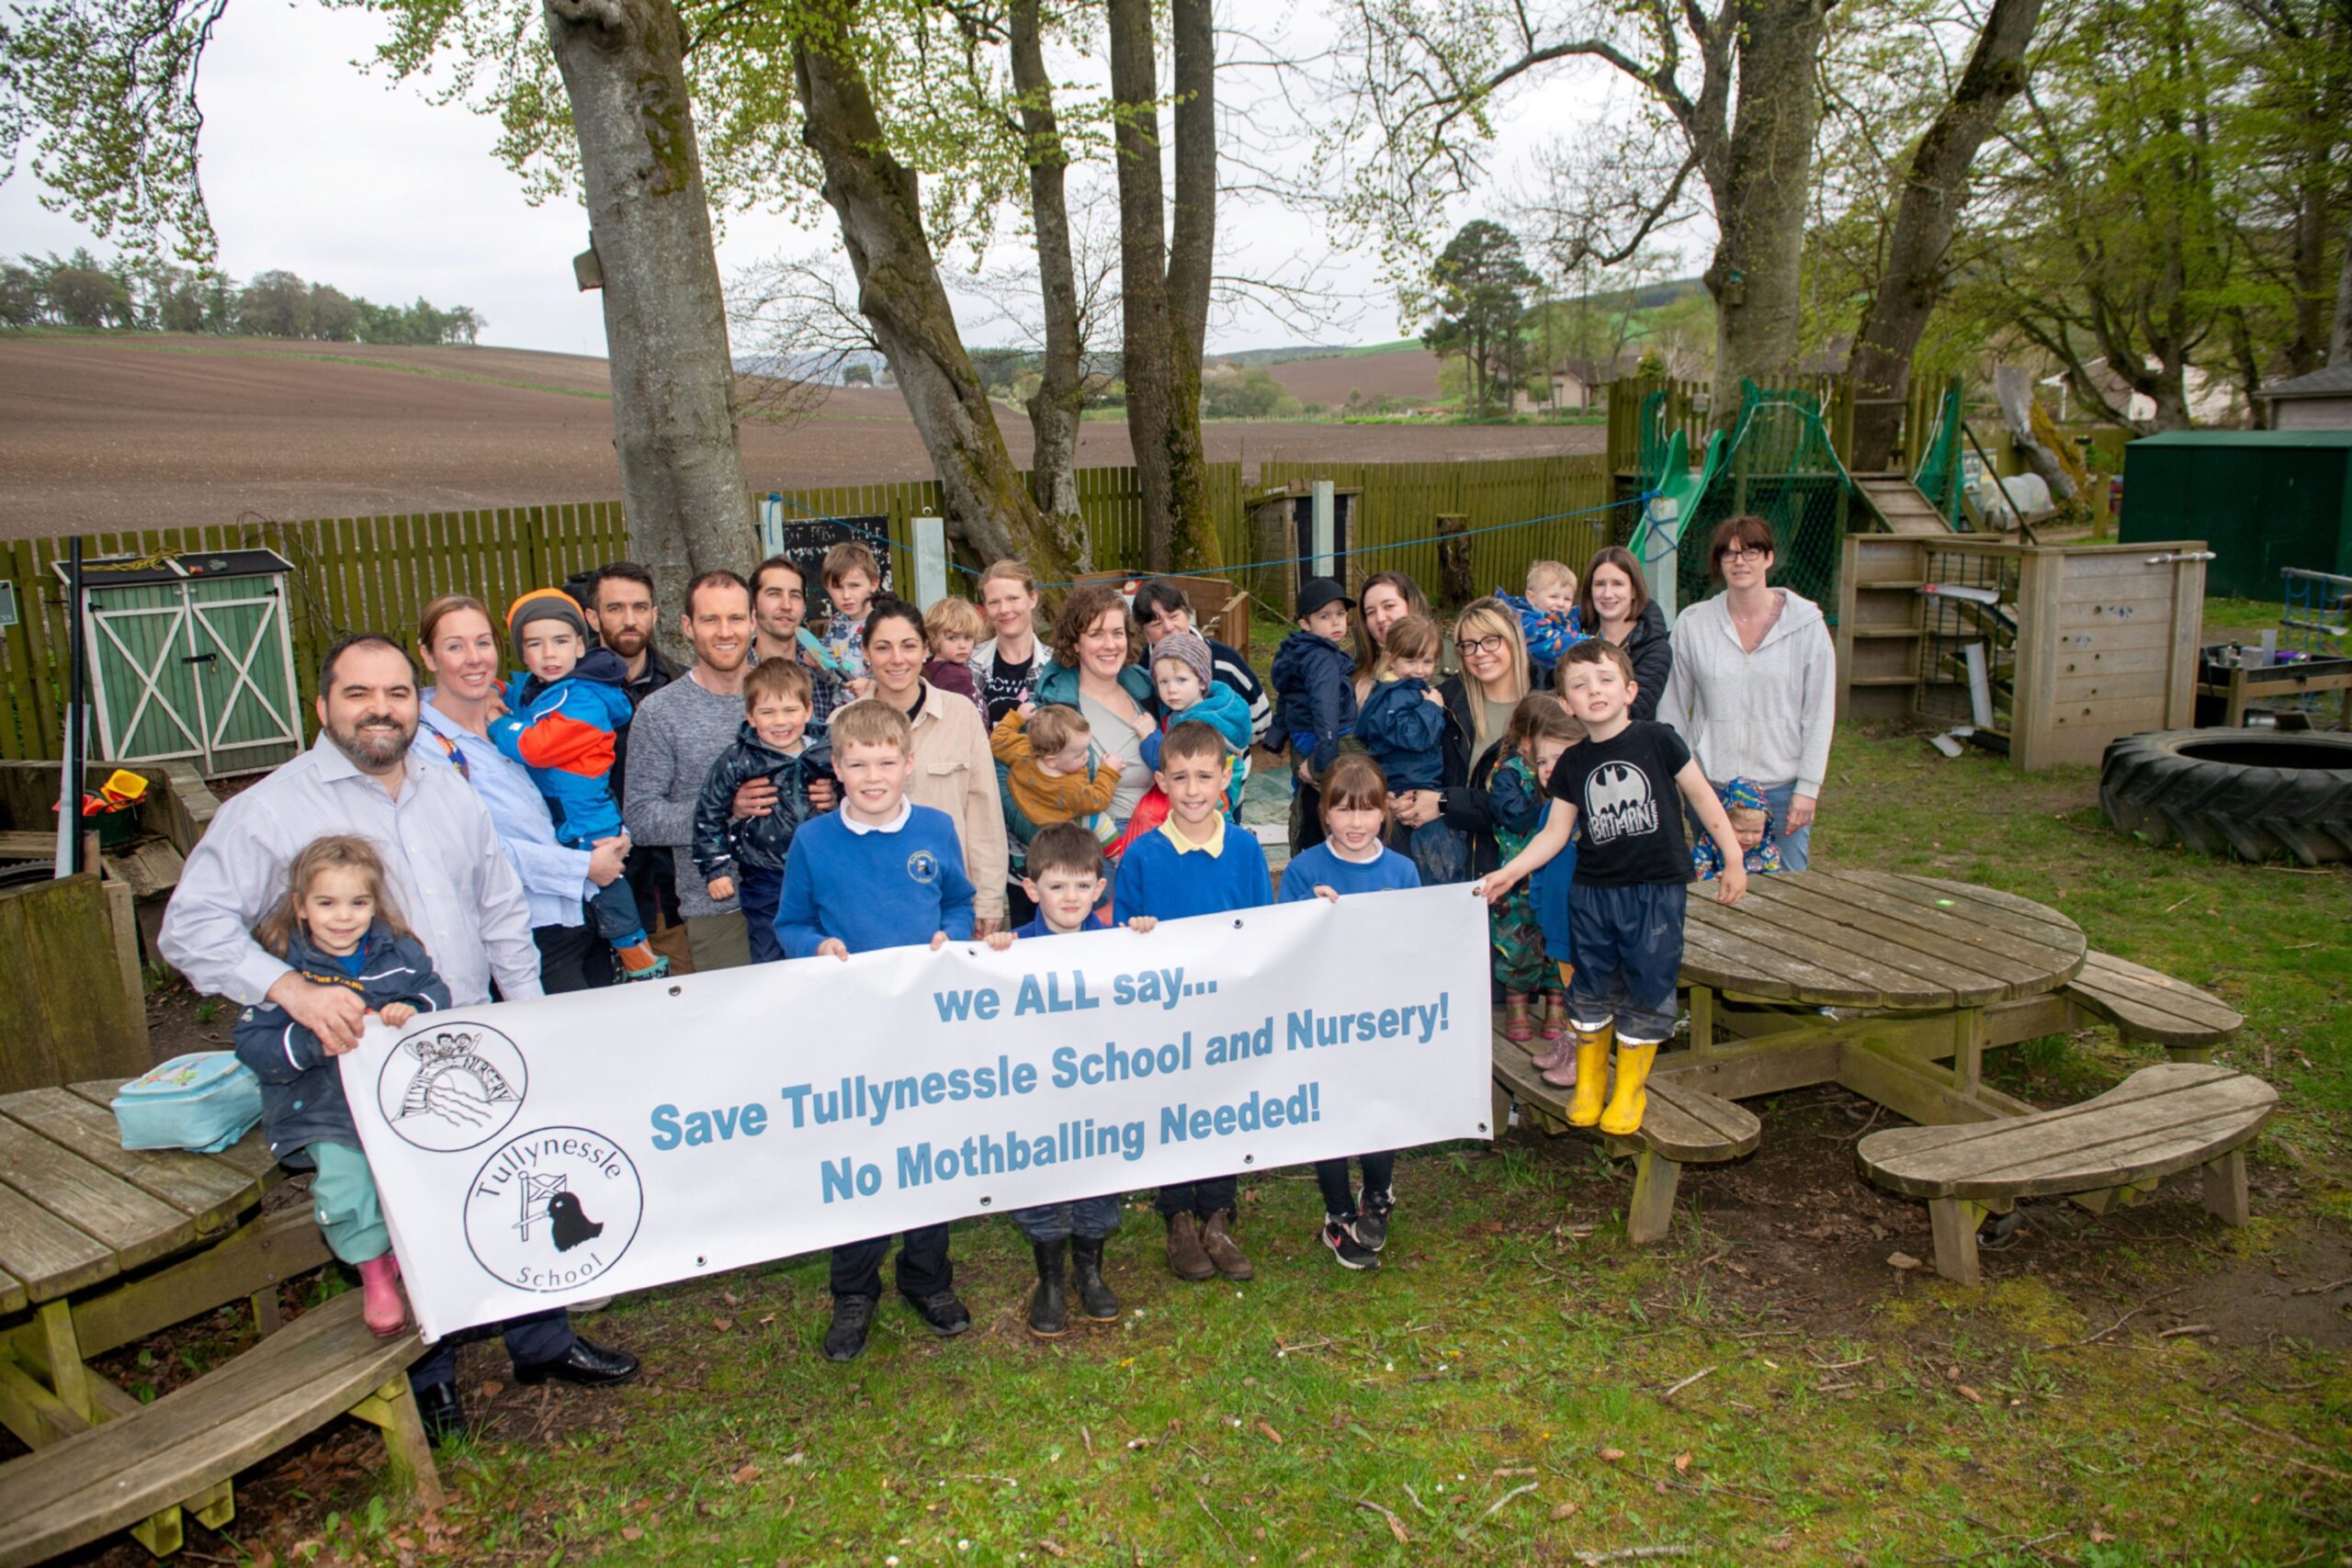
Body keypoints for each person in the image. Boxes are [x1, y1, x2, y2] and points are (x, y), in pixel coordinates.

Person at [160, 635, 639, 1444]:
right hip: (362, 1061)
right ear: (322, 706)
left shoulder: (448, 791)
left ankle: (541, 1341)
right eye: (359, 693)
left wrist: (526, 1011)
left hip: (467, 1034)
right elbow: (191, 927)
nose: (380, 708)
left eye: (396, 693)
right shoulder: (272, 810)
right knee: (403, 1213)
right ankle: (431, 1378)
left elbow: (497, 909)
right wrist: (292, 990)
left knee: (505, 1184)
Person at [773, 699, 977, 1360]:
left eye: (886, 761)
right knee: (860, 1153)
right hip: (850, 1028)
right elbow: (791, 923)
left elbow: (959, 899)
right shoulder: (813, 841)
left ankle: (927, 1275)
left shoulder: (938, 828)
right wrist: (817, 947)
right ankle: (854, 1289)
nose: (873, 774)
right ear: (836, 768)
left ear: (909, 764)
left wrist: (958, 936)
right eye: (857, 763)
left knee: (925, 1148)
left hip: (925, 1024)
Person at [1477, 640, 1749, 1137]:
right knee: (1589, 987)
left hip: (1655, 892)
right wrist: (1511, 871)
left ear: (1629, 690)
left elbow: (1701, 796)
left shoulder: (1658, 739)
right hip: (1593, 895)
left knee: (1648, 986)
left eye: (1604, 680)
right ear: (1566, 704)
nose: (1593, 691)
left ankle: (1629, 1088)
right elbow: (1555, 832)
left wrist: (1732, 855)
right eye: (1579, 685)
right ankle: (1589, 1082)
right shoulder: (1573, 763)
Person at [232, 835, 450, 1337]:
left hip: (396, 1098)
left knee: (414, 1181)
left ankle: (413, 1258)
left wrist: (413, 1010)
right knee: (346, 1185)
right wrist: (313, 1043)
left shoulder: (399, 950)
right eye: (326, 903)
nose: (343, 917)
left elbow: (436, 993)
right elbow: (252, 1044)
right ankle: (373, 1272)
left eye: (358, 903)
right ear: (300, 906)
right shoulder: (280, 965)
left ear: (376, 904)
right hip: (324, 1106)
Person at [1113, 719, 1273, 1282]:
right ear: (1161, 781)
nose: (1193, 789)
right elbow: (1121, 937)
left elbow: (1261, 927)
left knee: (1222, 1106)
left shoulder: (1247, 849)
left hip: (1226, 1011)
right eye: (1180, 777)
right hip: (1166, 1015)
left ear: (1225, 777)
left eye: (1205, 776)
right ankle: (1178, 1216)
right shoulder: (1142, 856)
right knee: (1174, 1107)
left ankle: (1217, 1217)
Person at [989, 822, 1155, 1336]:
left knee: (1097, 1186)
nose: (1070, 897)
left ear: (1100, 889)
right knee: (1043, 1186)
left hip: (1099, 1099)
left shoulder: (1118, 946)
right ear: (1032, 889)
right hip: (1038, 1101)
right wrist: (990, 953)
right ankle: (1051, 1280)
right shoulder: (1012, 952)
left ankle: (1090, 1271)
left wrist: (1146, 939)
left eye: (1083, 886)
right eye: (1056, 887)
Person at [413, 594, 626, 994]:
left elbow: (575, 783)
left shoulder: (524, 715)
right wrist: (580, 866)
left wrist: (612, 834)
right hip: (523, 933)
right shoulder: (424, 748)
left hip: (582, 914)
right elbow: (474, 850)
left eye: (482, 643)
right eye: (455, 646)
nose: (474, 658)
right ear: (428, 656)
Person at [1276, 753, 1418, 1271]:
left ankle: (1377, 1195)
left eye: (1366, 811)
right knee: (1332, 1114)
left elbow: (1416, 944)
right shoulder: (1304, 869)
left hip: (1381, 1020)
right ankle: (1337, 1212)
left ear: (1384, 813)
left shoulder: (1402, 871)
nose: (1355, 823)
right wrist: (1307, 917)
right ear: (1325, 814)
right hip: (1324, 1021)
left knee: (1378, 1106)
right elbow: (1280, 948)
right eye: (1342, 810)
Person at [489, 590, 666, 981]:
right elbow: (520, 696)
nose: (549, 654)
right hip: (562, 815)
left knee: (610, 894)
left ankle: (641, 963)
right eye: (535, 644)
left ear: (581, 647)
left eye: (560, 641)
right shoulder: (546, 689)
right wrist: (497, 691)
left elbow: (535, 745)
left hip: (586, 816)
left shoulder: (584, 698)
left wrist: (496, 722)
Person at [1657, 515, 1837, 870]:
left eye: (1750, 552)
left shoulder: (1807, 626)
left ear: (1769, 558)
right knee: (1717, 892)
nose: (1740, 562)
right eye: (1729, 554)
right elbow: (1673, 706)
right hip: (1712, 787)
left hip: (1781, 788)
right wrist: (1680, 774)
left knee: (1787, 897)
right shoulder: (1694, 623)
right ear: (1719, 563)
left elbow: (1819, 712)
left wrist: (1808, 787)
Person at [624, 571, 765, 972]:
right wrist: (724, 809)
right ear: (688, 627)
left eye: (736, 618)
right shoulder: (660, 712)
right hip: (718, 909)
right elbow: (642, 819)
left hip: (797, 900)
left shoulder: (784, 693)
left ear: (753, 621)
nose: (725, 632)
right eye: (710, 620)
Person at [863, 595, 1011, 933]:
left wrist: (989, 900)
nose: (897, 659)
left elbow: (984, 809)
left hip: (953, 904)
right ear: (866, 653)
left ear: (926, 649)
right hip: (875, 904)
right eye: (883, 647)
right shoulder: (844, 722)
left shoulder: (961, 714)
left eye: (908, 646)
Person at [692, 658, 835, 964]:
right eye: (767, 712)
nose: (780, 722)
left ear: (808, 710)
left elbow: (859, 792)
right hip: (766, 876)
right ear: (751, 716)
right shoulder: (740, 759)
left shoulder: (828, 752)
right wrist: (715, 869)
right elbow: (709, 812)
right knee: (770, 951)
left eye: (790, 710)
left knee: (828, 949)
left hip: (825, 871)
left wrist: (838, 795)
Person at [582, 562, 687, 972]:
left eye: (640, 608)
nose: (630, 620)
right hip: (591, 890)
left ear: (655, 614)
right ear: (593, 617)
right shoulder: (566, 694)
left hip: (665, 892)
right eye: (615, 608)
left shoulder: (679, 684)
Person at [1391, 597, 1532, 885]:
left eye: (1490, 640)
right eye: (1468, 645)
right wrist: (1394, 794)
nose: (1479, 653)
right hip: (1445, 862)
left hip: (1516, 870)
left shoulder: (1545, 706)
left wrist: (1445, 803)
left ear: (1513, 640)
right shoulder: (1443, 701)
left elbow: (1531, 803)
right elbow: (1404, 754)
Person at [1487, 695, 1584, 1049]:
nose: (1551, 764)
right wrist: (1548, 804)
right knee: (1518, 946)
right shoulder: (1510, 773)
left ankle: (1557, 1008)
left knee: (1556, 946)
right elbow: (1510, 814)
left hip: (1560, 883)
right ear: (1528, 743)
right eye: (1545, 754)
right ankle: (1516, 1008)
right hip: (1518, 882)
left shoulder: (1579, 782)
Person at [1113, 628, 1253, 852]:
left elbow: (1174, 764)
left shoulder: (1199, 723)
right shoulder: (1191, 709)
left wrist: (1150, 737)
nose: (1172, 690)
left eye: (1181, 680)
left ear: (1202, 681)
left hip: (1212, 809)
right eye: (1163, 681)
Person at [1034, 583, 1158, 829]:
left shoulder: (1148, 691)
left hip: (1161, 829)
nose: (1110, 645)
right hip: (1101, 842)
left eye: (1117, 633)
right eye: (1096, 634)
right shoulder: (1057, 708)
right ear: (1075, 643)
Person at [1354, 615, 1458, 883]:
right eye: (1411, 661)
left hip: (1406, 779)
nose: (1420, 670)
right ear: (1392, 658)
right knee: (1430, 862)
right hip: (1412, 781)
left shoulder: (1395, 691)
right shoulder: (1398, 694)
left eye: (1427, 661)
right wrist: (1432, 707)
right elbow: (1416, 737)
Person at [1271, 577, 1361, 855]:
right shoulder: (1322, 658)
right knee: (1353, 796)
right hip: (1329, 740)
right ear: (1305, 624)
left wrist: (1276, 735)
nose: (1336, 623)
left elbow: (1286, 696)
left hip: (1305, 738)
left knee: (1307, 803)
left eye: (1341, 614)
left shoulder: (1297, 652)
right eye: (1325, 616)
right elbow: (1326, 709)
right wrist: (1322, 761)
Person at [1133, 579, 1272, 746]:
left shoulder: (1224, 660)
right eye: (1157, 623)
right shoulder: (1140, 670)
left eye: (1174, 616)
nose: (1169, 627)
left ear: (1187, 613)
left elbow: (1260, 720)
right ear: (1143, 631)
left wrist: (1232, 748)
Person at [991, 703, 1125, 847]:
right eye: (1079, 754)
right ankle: (1120, 856)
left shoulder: (1022, 749)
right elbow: (1100, 800)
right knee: (1099, 820)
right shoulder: (1071, 788)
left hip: (1023, 811)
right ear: (1052, 761)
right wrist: (1109, 770)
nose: (1087, 755)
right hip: (1053, 833)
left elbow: (998, 740)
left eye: (1087, 748)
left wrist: (1017, 717)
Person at [1576, 547, 1671, 723]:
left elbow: (1634, 708)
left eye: (1617, 584)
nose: (1607, 594)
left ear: (1634, 590)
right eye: (1600, 584)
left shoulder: (1655, 648)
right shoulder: (1570, 635)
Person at [751, 554, 850, 723]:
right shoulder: (737, 671)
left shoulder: (825, 665)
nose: (786, 605)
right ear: (753, 604)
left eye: (795, 595)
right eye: (774, 594)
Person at [971, 559, 1049, 728]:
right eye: (994, 602)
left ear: (1032, 599)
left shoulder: (1056, 664)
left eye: (1013, 598)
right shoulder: (969, 663)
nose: (1004, 609)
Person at [1351, 570, 1431, 706]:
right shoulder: (1351, 669)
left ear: (1411, 603)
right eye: (1371, 612)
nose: (1380, 618)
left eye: (1389, 606)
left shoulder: (1450, 661)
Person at [1503, 559, 1584, 682]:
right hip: (1533, 683)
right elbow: (1551, 644)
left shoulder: (1565, 618)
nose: (1561, 604)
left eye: (1567, 599)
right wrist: (1591, 642)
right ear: (1531, 597)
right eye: (1553, 597)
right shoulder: (1525, 622)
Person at [1692, 776, 1787, 881]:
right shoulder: (1709, 844)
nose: (1748, 838)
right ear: (1724, 823)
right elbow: (1696, 870)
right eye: (1740, 831)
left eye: (1757, 831)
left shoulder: (1767, 850)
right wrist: (1714, 879)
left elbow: (1774, 881)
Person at [818, 540, 883, 685]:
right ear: (827, 588)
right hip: (841, 706)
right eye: (838, 587)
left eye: (854, 586)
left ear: (873, 584)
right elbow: (832, 678)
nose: (846, 595)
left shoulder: (884, 623)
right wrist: (818, 666)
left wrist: (871, 687)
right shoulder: (835, 624)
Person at [922, 595, 988, 715]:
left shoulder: (930, 666)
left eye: (968, 637)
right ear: (934, 638)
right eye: (952, 638)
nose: (962, 645)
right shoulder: (954, 678)